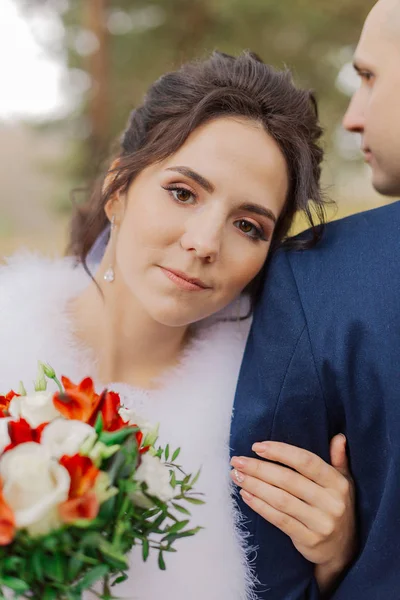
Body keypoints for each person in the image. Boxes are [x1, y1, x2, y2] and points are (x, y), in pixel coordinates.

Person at [0, 52, 355, 600]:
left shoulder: (262, 426)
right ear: (118, 189)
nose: (204, 243)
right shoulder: (8, 340)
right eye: (183, 193)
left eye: (247, 224)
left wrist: (334, 564)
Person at [230, 1, 400, 598]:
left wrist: (332, 568)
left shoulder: (319, 276)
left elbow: (267, 571)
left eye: (370, 76)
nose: (353, 117)